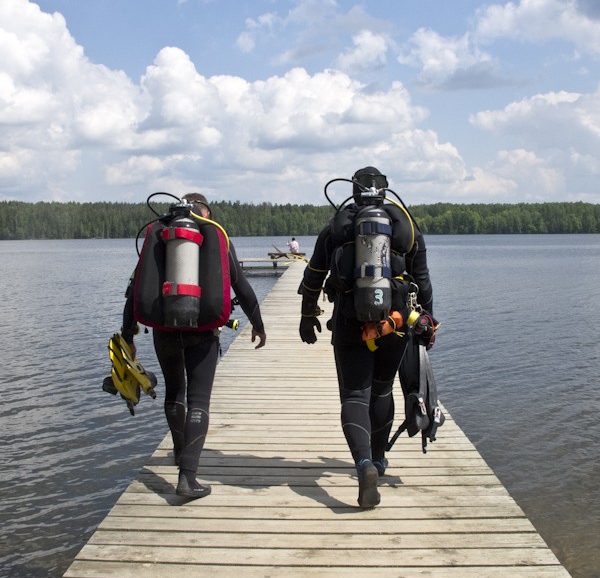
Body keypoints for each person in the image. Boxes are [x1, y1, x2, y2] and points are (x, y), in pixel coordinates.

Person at [298, 167, 434, 509]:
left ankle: (363, 466)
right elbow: (423, 280)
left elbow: (314, 274)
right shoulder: (405, 226)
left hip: (349, 320)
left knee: (355, 395)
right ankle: (379, 459)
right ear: (385, 191)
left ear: (354, 191)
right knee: (384, 388)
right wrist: (428, 319)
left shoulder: (337, 227)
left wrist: (307, 314)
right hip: (397, 321)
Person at [122, 192, 267, 500]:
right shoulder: (216, 238)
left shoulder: (161, 238)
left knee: (175, 392)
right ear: (206, 213)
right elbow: (241, 285)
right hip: (203, 333)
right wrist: (258, 323)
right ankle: (188, 477)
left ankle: (178, 449)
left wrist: (128, 335)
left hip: (164, 331)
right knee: (198, 400)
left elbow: (135, 289)